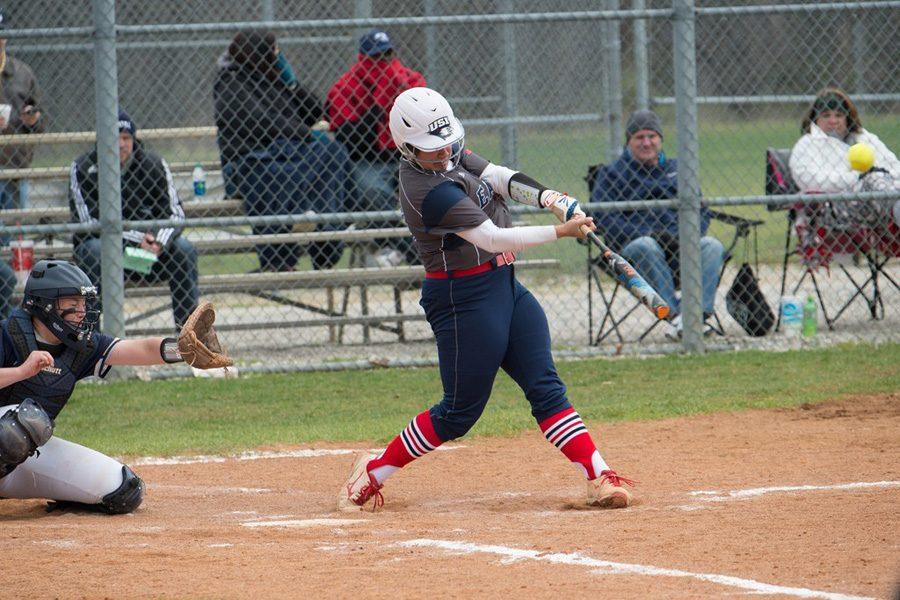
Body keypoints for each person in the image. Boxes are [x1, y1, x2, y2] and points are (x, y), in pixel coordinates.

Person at [338, 87, 635, 512]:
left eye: (447, 147)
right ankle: (372, 473)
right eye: (432, 151)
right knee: (458, 413)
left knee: (546, 387)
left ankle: (598, 475)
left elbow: (498, 176)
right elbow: (492, 239)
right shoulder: (426, 190)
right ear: (407, 149)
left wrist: (551, 198)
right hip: (463, 300)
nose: (444, 157)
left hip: (505, 287)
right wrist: (560, 231)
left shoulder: (449, 154)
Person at [0, 260, 198, 514]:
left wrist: (183, 350)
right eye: (73, 305)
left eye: (83, 304)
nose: (82, 312)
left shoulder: (80, 346)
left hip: (21, 459)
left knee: (123, 490)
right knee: (22, 422)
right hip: (9, 433)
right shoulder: (7, 334)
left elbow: (138, 349)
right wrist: (21, 372)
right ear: (45, 306)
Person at [214, 30, 353, 272]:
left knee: (334, 152)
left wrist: (292, 83)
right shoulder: (230, 82)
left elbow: (314, 113)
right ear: (258, 54)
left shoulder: (273, 78)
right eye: (273, 52)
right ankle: (285, 247)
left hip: (289, 152)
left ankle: (324, 239)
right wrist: (303, 134)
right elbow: (258, 121)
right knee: (284, 170)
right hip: (251, 159)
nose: (277, 56)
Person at [590, 109, 725, 338]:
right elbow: (604, 219)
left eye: (651, 136)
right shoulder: (611, 174)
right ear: (628, 142)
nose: (646, 142)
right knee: (646, 245)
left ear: (660, 140)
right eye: (639, 137)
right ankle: (676, 317)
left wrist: (684, 235)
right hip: (635, 253)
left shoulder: (678, 170)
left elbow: (701, 212)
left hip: (680, 245)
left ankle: (694, 317)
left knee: (712, 245)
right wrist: (649, 233)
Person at [69, 110, 199, 329]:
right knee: (93, 249)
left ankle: (189, 337)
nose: (120, 144)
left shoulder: (154, 164)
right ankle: (90, 340)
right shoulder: (83, 167)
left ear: (134, 139)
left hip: (150, 256)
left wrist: (158, 242)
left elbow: (175, 214)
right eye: (114, 137)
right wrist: (136, 239)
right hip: (107, 256)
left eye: (126, 138)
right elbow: (88, 223)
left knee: (184, 249)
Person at [326, 30, 426, 267]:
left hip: (410, 155)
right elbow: (347, 138)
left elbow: (425, 122)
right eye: (376, 56)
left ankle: (402, 250)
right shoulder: (347, 86)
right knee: (371, 192)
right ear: (363, 57)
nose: (383, 61)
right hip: (367, 158)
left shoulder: (408, 80)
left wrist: (397, 97)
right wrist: (378, 109)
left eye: (387, 54)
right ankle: (413, 251)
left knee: (437, 187)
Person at [789, 88, 900, 229]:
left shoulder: (864, 138)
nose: (833, 121)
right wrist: (857, 177)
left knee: (878, 179)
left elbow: (894, 166)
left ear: (847, 118)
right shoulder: (807, 144)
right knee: (873, 179)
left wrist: (876, 175)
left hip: (880, 199)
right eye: (826, 115)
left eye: (839, 115)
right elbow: (809, 180)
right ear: (816, 118)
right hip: (833, 206)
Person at [0, 7, 45, 211]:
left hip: (14, 168)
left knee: (12, 234)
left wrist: (33, 121)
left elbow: (41, 119)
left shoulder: (23, 74)